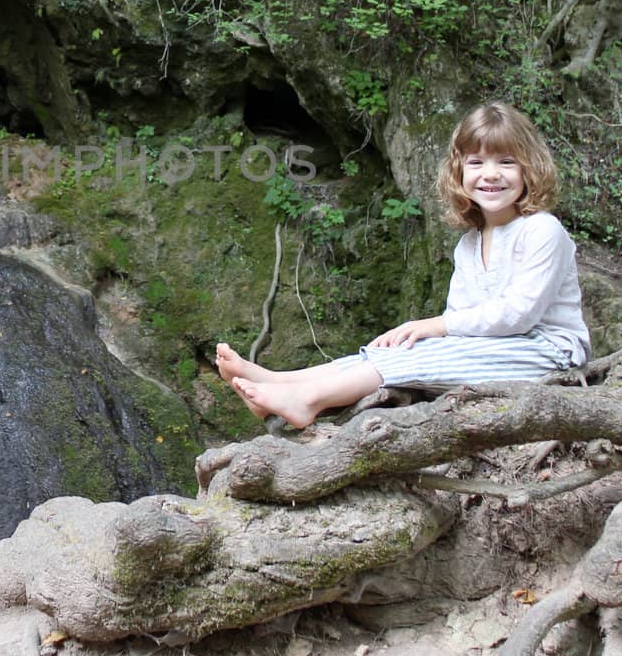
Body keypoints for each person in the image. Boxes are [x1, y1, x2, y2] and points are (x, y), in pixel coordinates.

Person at [217, 101, 590, 429]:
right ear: (459, 172)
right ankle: (281, 380)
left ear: (529, 169)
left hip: (548, 354)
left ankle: (309, 399)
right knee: (407, 349)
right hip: (497, 352)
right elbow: (462, 324)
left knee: (427, 346)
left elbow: (519, 314)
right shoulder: (469, 245)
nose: (490, 174)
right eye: (476, 162)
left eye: (506, 162)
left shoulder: (541, 230)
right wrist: (427, 334)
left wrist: (431, 327)